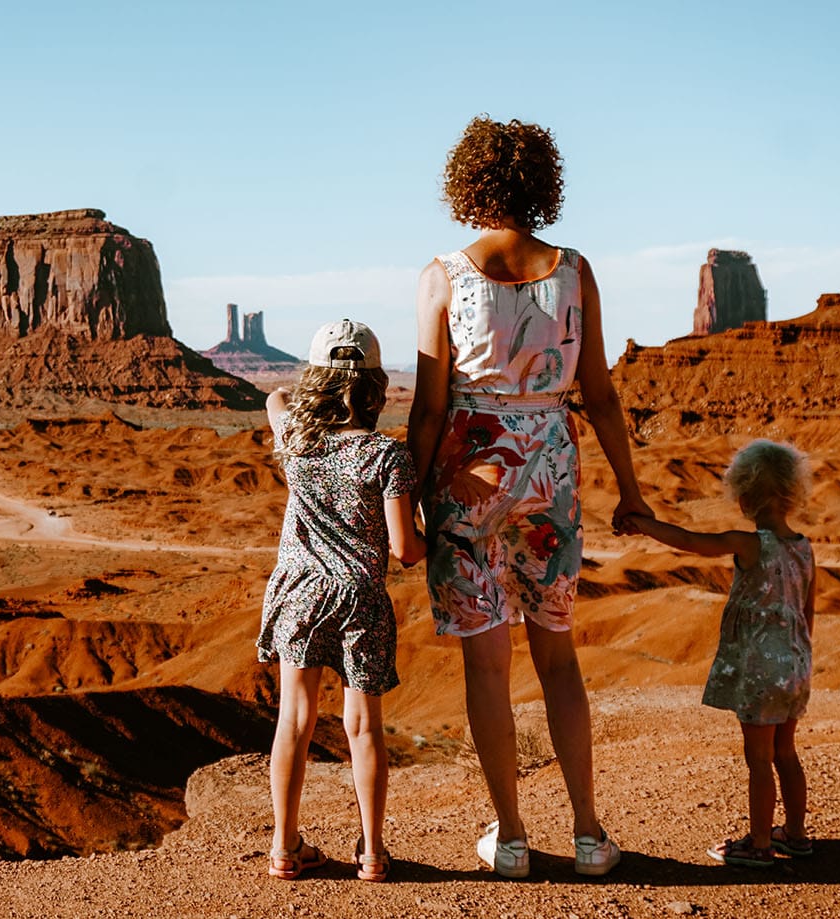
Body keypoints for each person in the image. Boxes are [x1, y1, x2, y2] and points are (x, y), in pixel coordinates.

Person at [407, 116, 651, 878]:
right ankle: (588, 834)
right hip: (551, 468)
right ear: (542, 183)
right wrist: (632, 492)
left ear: (468, 181)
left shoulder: (443, 276)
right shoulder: (575, 271)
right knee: (559, 658)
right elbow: (601, 394)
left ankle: (511, 837)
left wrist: (407, 501)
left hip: (468, 470)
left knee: (488, 668)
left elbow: (427, 409)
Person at [259, 318, 428, 883]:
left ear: (316, 380)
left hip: (300, 591)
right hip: (361, 596)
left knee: (294, 719)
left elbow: (274, 398)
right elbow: (405, 549)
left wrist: (309, 395)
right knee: (363, 726)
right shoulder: (387, 456)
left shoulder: (296, 440)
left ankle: (285, 848)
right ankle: (373, 852)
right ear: (377, 386)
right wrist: (440, 539)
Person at [624, 439, 815, 868]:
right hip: (795, 666)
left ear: (744, 496)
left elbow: (691, 541)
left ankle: (760, 845)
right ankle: (796, 834)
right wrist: (796, 660)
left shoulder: (749, 544)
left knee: (759, 759)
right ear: (792, 493)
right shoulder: (805, 548)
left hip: (761, 671)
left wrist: (643, 524)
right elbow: (807, 613)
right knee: (786, 753)